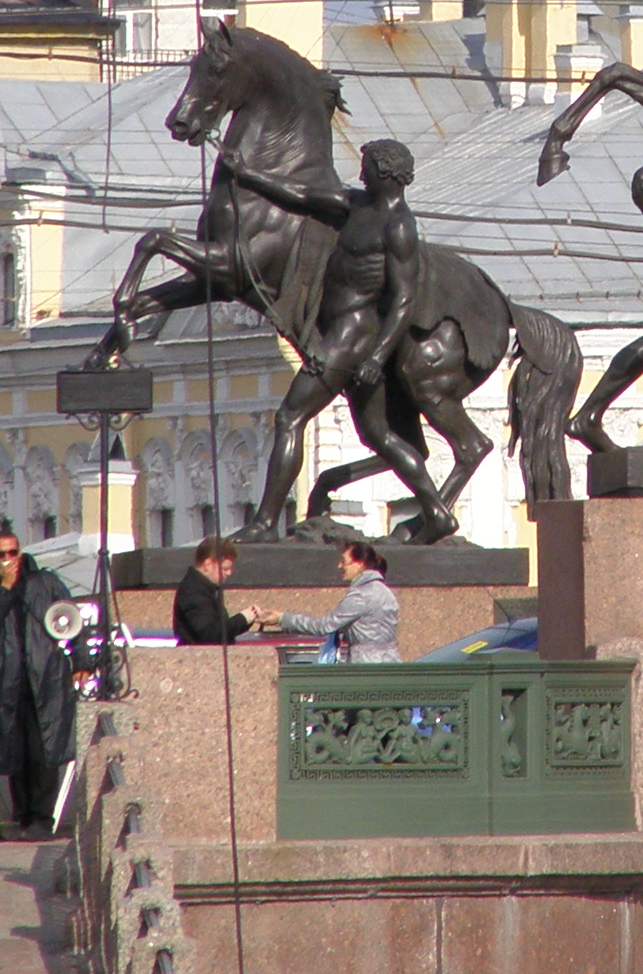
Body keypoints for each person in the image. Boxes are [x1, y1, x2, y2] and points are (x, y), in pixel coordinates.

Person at [217, 138, 450, 537]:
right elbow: (306, 195)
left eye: (367, 167)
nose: (360, 174)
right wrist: (249, 175)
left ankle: (263, 522)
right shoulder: (359, 206)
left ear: (386, 172)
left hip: (352, 335)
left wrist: (377, 357)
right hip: (346, 333)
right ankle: (437, 512)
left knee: (290, 416)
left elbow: (404, 299)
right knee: (379, 435)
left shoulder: (398, 227)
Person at [0, 532, 76, 837]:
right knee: (14, 751)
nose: (7, 560)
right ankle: (23, 817)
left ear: (20, 552)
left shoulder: (45, 583)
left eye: (11, 553)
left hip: (45, 679)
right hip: (8, 680)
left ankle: (42, 818)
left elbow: (71, 618)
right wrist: (4, 590)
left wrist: (81, 662)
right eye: (0, 555)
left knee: (44, 750)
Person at [259, 540, 400, 662]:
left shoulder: (361, 595)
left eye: (344, 561)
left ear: (359, 564)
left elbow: (324, 627)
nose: (339, 566)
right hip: (390, 663)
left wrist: (282, 618)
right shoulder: (385, 592)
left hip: (366, 668)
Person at [175, 535, 252, 646]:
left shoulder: (206, 589)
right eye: (225, 568)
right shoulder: (193, 592)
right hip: (199, 659)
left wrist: (247, 619)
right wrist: (243, 619)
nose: (229, 573)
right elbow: (211, 634)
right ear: (207, 564)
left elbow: (220, 629)